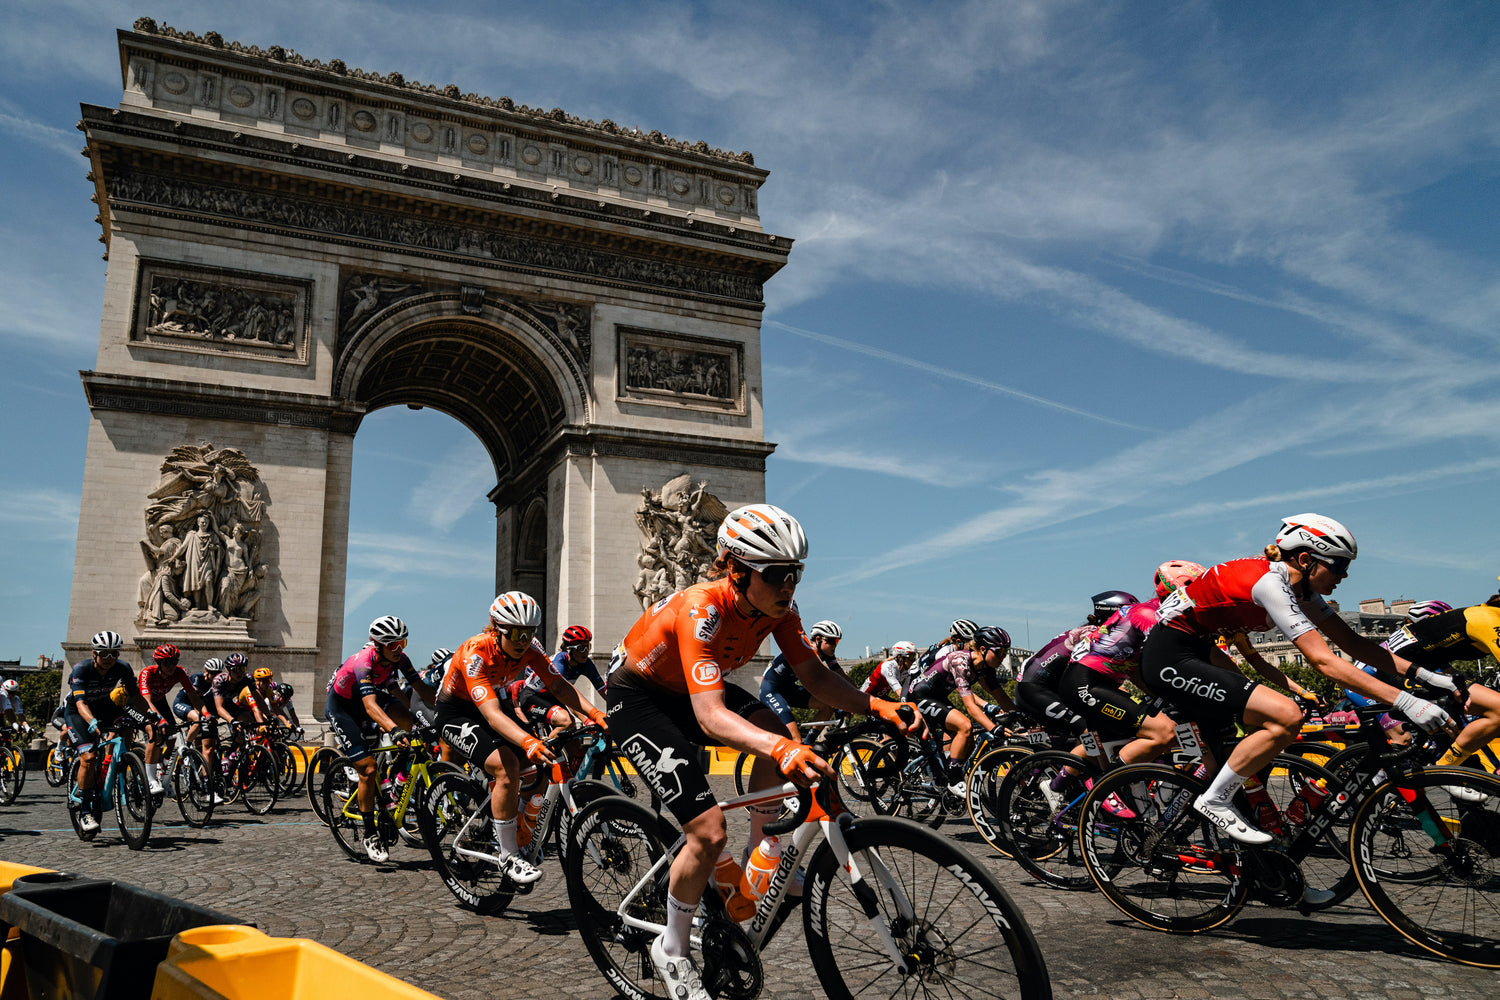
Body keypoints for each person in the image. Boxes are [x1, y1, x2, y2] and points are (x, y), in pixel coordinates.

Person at [606, 503, 919, 1000]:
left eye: (796, 574)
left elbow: (815, 676)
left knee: (782, 741)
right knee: (707, 832)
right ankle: (672, 946)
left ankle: (761, 857)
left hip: (688, 693)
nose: (789, 587)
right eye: (776, 575)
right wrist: (780, 746)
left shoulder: (779, 609)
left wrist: (876, 704)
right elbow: (709, 716)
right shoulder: (703, 607)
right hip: (638, 697)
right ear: (735, 569)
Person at [1142, 514, 1454, 849]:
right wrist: (1406, 701)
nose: (1344, 574)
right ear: (1305, 560)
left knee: (1254, 738)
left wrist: (1427, 677)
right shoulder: (1270, 583)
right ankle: (1215, 799)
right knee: (1285, 715)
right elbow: (1323, 661)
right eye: (1338, 565)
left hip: (1200, 653)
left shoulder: (1301, 590)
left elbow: (1354, 644)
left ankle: (1259, 857)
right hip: (1171, 657)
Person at [435, 593, 607, 884]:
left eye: (529, 633)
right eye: (515, 633)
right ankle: (508, 854)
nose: (522, 640)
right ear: (496, 628)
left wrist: (594, 713)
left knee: (541, 767)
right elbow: (490, 715)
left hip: (495, 704)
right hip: (457, 713)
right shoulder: (475, 652)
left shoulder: (531, 649)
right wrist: (528, 741)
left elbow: (560, 687)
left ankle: (519, 828)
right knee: (507, 768)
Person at [325, 615, 436, 862]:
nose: (398, 650)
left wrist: (433, 715)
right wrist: (393, 730)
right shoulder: (363, 662)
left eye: (402, 644)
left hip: (372, 698)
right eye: (392, 645)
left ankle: (394, 780)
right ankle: (369, 833)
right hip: (343, 707)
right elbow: (370, 705)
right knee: (368, 768)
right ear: (377, 645)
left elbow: (419, 692)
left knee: (411, 726)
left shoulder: (400, 660)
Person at [65, 631, 156, 832]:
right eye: (104, 653)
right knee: (88, 757)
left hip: (105, 707)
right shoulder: (81, 669)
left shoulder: (122, 668)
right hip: (79, 713)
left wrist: (150, 714)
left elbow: (137, 697)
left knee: (127, 725)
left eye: (114, 654)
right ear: (94, 653)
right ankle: (85, 810)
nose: (109, 659)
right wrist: (91, 722)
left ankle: (123, 763)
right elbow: (80, 703)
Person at [905, 626, 1015, 793]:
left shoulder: (986, 668)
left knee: (968, 737)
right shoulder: (960, 661)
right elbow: (970, 706)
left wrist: (1020, 715)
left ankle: (947, 776)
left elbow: (1001, 696)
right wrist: (994, 728)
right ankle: (954, 780)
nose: (1003, 657)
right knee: (965, 725)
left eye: (1006, 653)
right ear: (983, 650)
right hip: (919, 696)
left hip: (938, 697)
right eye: (1000, 653)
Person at [513, 625, 606, 741]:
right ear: (569, 649)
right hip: (532, 696)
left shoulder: (586, 663)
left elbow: (604, 691)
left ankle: (572, 759)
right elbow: (566, 695)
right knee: (567, 722)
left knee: (574, 740)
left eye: (588, 647)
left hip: (553, 699)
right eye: (581, 648)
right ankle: (543, 752)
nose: (586, 652)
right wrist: (587, 720)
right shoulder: (558, 662)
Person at [759, 619, 846, 742]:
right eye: (831, 641)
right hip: (771, 690)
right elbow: (821, 680)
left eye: (836, 642)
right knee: (795, 739)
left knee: (827, 706)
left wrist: (862, 696)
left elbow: (842, 678)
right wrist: (841, 701)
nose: (834, 646)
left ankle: (809, 744)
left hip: (789, 689)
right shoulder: (807, 652)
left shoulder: (826, 655)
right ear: (817, 639)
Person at [137, 644, 207, 795]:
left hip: (159, 701)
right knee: (155, 733)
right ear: (159, 663)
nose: (171, 667)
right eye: (167, 663)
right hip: (142, 702)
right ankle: (150, 780)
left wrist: (205, 714)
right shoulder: (147, 673)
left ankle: (162, 764)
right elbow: (147, 701)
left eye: (174, 662)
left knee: (172, 734)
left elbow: (193, 697)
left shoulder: (179, 672)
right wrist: (159, 720)